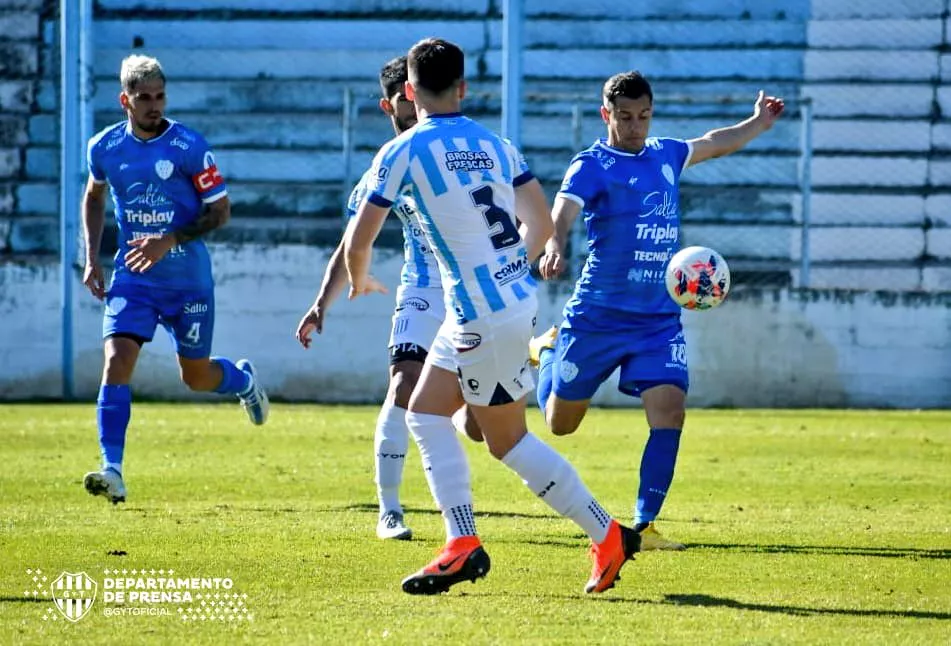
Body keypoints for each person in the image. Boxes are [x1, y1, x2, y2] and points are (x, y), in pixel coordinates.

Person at [346, 38, 640, 596]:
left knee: (507, 442)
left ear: (408, 91)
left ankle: (604, 535)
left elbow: (358, 240)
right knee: (424, 413)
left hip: (479, 314)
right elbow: (542, 227)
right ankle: (463, 541)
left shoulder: (403, 150)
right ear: (463, 88)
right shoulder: (496, 144)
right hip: (501, 303)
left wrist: (359, 277)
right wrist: (505, 273)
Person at [531, 71, 785, 548]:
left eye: (644, 116)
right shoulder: (591, 164)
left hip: (657, 319)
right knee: (560, 425)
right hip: (598, 315)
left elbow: (714, 143)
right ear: (606, 115)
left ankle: (644, 525)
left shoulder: (665, 154)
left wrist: (758, 123)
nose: (635, 127)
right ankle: (546, 351)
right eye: (625, 117)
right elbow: (561, 214)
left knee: (670, 411)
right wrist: (554, 247)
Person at [296, 56, 483, 542]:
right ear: (391, 105)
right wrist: (321, 304)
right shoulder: (389, 161)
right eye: (404, 98)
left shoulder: (460, 148)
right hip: (421, 289)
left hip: (473, 290)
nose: (414, 104)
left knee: (480, 425)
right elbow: (352, 243)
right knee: (402, 384)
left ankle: (460, 402)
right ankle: (390, 510)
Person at [81, 55, 269, 505]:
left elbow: (220, 212)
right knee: (116, 360)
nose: (154, 106)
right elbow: (94, 196)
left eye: (160, 96)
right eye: (144, 98)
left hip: (188, 282)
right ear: (125, 100)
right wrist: (91, 258)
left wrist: (168, 240)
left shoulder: (189, 147)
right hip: (134, 278)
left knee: (196, 377)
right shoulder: (104, 147)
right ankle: (112, 470)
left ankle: (242, 381)